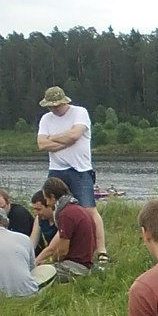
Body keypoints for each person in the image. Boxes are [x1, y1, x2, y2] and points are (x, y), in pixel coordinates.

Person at [36, 85, 107, 263]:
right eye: (50, 106)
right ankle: (55, 248)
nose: (54, 109)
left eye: (56, 105)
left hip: (80, 170)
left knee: (88, 210)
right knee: (51, 209)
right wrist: (64, 140)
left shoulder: (79, 112)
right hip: (56, 169)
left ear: (64, 102)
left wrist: (52, 138)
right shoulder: (46, 118)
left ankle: (101, 250)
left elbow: (75, 136)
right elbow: (41, 144)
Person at [0, 206, 55, 298]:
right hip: (27, 293)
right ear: (7, 221)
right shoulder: (24, 238)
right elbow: (31, 267)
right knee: (50, 269)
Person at [35, 176, 96, 282]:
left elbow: (62, 251)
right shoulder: (77, 208)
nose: (48, 203)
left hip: (75, 266)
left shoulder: (65, 214)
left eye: (46, 199)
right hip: (85, 263)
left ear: (53, 197)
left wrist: (52, 261)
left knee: (37, 276)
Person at [29, 189, 57, 254]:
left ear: (49, 206)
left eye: (39, 209)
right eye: (34, 209)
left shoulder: (59, 219)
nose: (36, 213)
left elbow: (54, 247)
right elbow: (33, 242)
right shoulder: (39, 218)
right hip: (50, 253)